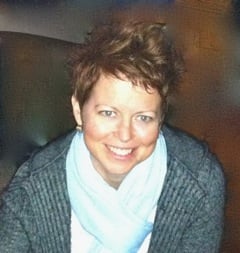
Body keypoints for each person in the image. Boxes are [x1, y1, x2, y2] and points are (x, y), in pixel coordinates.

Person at [0, 20, 225, 253]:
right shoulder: (30, 191)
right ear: (79, 111)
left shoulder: (200, 181)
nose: (125, 135)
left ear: (161, 118)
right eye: (108, 113)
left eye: (143, 117)